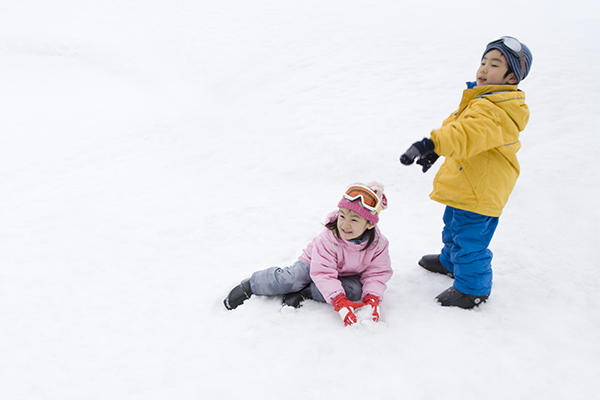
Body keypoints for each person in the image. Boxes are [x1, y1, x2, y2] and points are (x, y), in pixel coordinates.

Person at [400, 36, 533, 309]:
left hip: (480, 190)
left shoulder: (497, 110)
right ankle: (450, 262)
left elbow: (468, 133)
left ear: (512, 77)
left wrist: (432, 143)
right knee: (453, 226)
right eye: (483, 62)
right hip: (468, 183)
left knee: (470, 241)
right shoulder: (482, 100)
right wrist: (438, 151)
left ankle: (473, 289)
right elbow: (457, 129)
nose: (483, 69)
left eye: (494, 64)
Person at [223, 182, 393, 326]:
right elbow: (323, 272)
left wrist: (372, 299)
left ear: (369, 224)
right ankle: (253, 284)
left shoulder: (378, 245)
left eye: (354, 219)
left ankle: (307, 292)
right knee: (292, 279)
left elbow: (376, 274)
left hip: (347, 273)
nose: (345, 224)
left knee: (354, 290)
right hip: (314, 263)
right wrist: (338, 301)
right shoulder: (329, 238)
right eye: (342, 216)